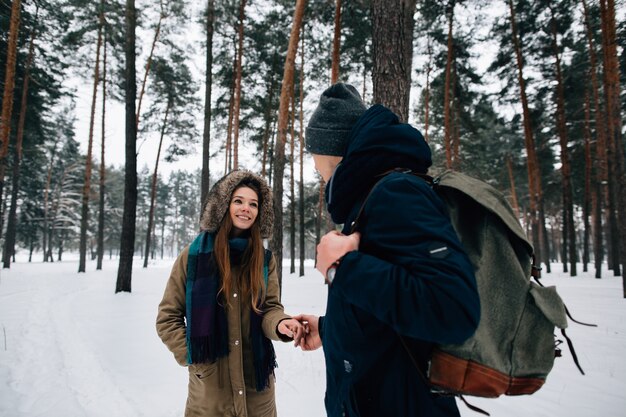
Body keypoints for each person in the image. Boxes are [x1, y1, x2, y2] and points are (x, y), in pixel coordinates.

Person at [295, 83, 481, 417]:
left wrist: (343, 268)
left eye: (315, 158)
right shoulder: (370, 198)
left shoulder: (397, 192)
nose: (315, 169)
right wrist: (329, 329)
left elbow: (453, 309)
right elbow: (387, 310)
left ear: (331, 151)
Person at [156, 170, 304, 417]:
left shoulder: (265, 260)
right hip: (211, 395)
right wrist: (194, 356)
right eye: (239, 201)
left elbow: (269, 309)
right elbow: (168, 317)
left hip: (257, 391)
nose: (246, 208)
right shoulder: (193, 256)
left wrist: (281, 324)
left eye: (253, 204)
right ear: (225, 205)